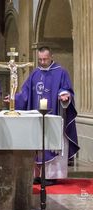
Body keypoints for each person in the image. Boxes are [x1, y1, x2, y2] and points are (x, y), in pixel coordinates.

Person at [14, 46, 79, 185]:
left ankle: (50, 176)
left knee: (51, 143)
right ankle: (38, 175)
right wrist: (14, 99)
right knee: (37, 144)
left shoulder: (61, 72)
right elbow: (25, 93)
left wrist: (65, 96)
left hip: (53, 115)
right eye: (40, 59)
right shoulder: (35, 74)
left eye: (45, 59)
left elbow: (66, 89)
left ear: (51, 57)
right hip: (36, 117)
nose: (42, 62)